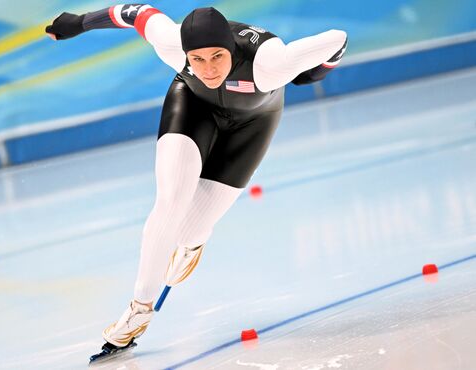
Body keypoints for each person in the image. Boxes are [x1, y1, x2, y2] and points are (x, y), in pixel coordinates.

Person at [46, 3, 347, 360]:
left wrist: (314, 74)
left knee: (189, 230)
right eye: (198, 59)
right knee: (170, 201)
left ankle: (192, 242)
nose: (209, 69)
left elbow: (337, 39)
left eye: (218, 57)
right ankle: (138, 311)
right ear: (185, 53)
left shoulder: (271, 64)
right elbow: (135, 13)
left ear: (231, 50)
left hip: (254, 121)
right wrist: (78, 23)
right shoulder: (171, 43)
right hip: (194, 105)